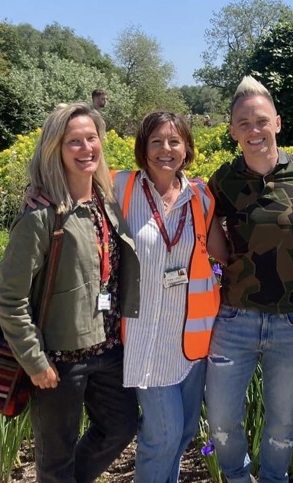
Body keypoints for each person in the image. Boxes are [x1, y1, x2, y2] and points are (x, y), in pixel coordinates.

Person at [0, 103, 140, 483]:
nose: (85, 148)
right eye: (73, 142)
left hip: (108, 350)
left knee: (121, 427)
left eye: (91, 138)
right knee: (54, 458)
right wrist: (35, 360)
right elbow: (10, 299)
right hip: (58, 361)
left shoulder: (107, 201)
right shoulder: (41, 215)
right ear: (55, 149)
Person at [204, 75, 293, 483]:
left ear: (276, 122)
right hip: (235, 318)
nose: (253, 130)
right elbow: (211, 239)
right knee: (221, 419)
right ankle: (238, 478)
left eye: (260, 121)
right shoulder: (224, 180)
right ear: (232, 131)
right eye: (243, 123)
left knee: (281, 422)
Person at [113, 111, 227, 483]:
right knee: (161, 436)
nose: (166, 149)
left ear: (187, 148)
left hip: (192, 338)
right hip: (146, 338)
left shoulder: (201, 197)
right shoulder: (120, 187)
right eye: (156, 141)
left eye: (174, 141)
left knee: (182, 433)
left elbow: (223, 252)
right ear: (143, 149)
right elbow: (68, 184)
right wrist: (37, 191)